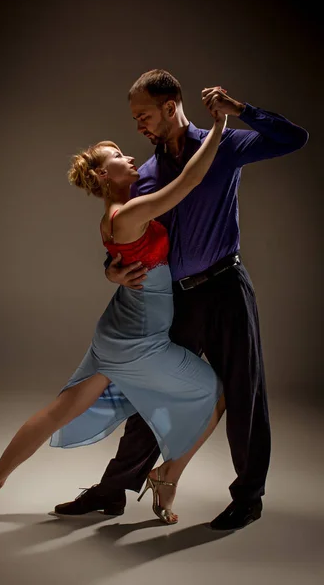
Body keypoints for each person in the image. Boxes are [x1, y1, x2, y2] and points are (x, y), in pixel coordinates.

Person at [53, 70, 309, 530]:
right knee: (151, 393)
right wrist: (109, 268)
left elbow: (295, 138)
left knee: (244, 392)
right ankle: (113, 491)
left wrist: (242, 112)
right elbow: (123, 233)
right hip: (177, 298)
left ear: (171, 106)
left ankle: (249, 496)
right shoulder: (146, 175)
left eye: (144, 115)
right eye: (135, 118)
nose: (138, 127)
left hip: (227, 287)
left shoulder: (224, 145)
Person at [0, 106, 228, 525]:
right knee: (217, 394)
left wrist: (110, 272)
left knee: (58, 411)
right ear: (103, 176)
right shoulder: (129, 214)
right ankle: (167, 476)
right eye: (118, 154)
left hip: (114, 330)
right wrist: (221, 127)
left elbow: (117, 255)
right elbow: (189, 181)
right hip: (139, 340)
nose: (130, 156)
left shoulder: (111, 219)